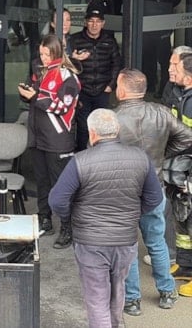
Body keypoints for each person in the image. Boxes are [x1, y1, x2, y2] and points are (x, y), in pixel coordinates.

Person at [49, 108, 163, 328]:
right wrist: (133, 214)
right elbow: (155, 198)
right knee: (117, 290)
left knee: (97, 299)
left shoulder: (80, 161)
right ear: (117, 130)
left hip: (90, 242)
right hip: (125, 239)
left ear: (92, 133)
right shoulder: (141, 157)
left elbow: (57, 200)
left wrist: (70, 219)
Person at [114, 69, 192, 315]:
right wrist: (161, 155)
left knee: (128, 246)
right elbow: (187, 137)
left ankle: (133, 300)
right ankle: (167, 292)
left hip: (124, 189)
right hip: (153, 186)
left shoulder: (113, 117)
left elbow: (98, 153)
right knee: (156, 242)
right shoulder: (160, 112)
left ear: (123, 89)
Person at [18, 34, 80, 248]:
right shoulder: (39, 70)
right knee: (41, 181)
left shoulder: (68, 76)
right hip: (37, 136)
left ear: (57, 53)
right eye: (41, 54)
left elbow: (61, 107)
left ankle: (67, 227)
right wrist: (25, 92)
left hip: (58, 139)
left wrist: (33, 96)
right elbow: (34, 97)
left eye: (47, 54)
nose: (43, 58)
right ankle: (45, 219)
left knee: (61, 185)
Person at [67, 8, 122, 150]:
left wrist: (111, 85)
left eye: (98, 21)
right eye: (91, 21)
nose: (94, 24)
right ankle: (82, 157)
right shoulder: (75, 40)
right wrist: (74, 59)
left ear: (103, 23)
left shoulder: (109, 41)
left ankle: (101, 155)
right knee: (84, 128)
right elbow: (67, 66)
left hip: (103, 91)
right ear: (86, 22)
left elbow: (117, 64)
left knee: (102, 128)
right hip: (82, 91)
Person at [143, 0, 182, 97]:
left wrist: (160, 4)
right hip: (145, 24)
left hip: (162, 25)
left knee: (164, 59)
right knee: (147, 57)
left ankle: (163, 89)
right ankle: (150, 85)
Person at [169, 53, 192, 296]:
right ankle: (185, 266)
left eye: (176, 66)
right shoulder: (182, 95)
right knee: (183, 219)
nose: (172, 69)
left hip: (190, 170)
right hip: (182, 168)